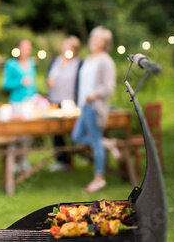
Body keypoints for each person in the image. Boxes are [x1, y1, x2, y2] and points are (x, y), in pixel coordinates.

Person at [71, 26, 119, 193]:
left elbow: (110, 86)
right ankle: (108, 143)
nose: (94, 40)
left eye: (99, 38)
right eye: (93, 36)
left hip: (94, 107)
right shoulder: (89, 58)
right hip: (84, 107)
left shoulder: (106, 61)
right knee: (76, 137)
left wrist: (94, 94)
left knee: (96, 141)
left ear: (105, 43)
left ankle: (99, 178)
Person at [46, 35, 82, 172]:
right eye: (64, 45)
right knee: (56, 132)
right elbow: (49, 77)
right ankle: (60, 161)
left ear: (74, 48)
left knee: (72, 130)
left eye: (69, 46)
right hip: (55, 100)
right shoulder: (55, 61)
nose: (65, 48)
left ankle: (75, 157)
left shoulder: (78, 63)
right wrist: (48, 82)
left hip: (71, 102)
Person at [2, 38, 37, 173]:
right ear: (18, 49)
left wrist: (37, 97)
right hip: (16, 103)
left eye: (28, 48)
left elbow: (33, 84)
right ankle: (14, 162)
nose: (26, 51)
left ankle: (24, 161)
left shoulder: (31, 63)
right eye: (24, 47)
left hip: (30, 103)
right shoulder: (11, 64)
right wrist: (21, 81)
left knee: (28, 135)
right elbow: (5, 84)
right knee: (16, 133)